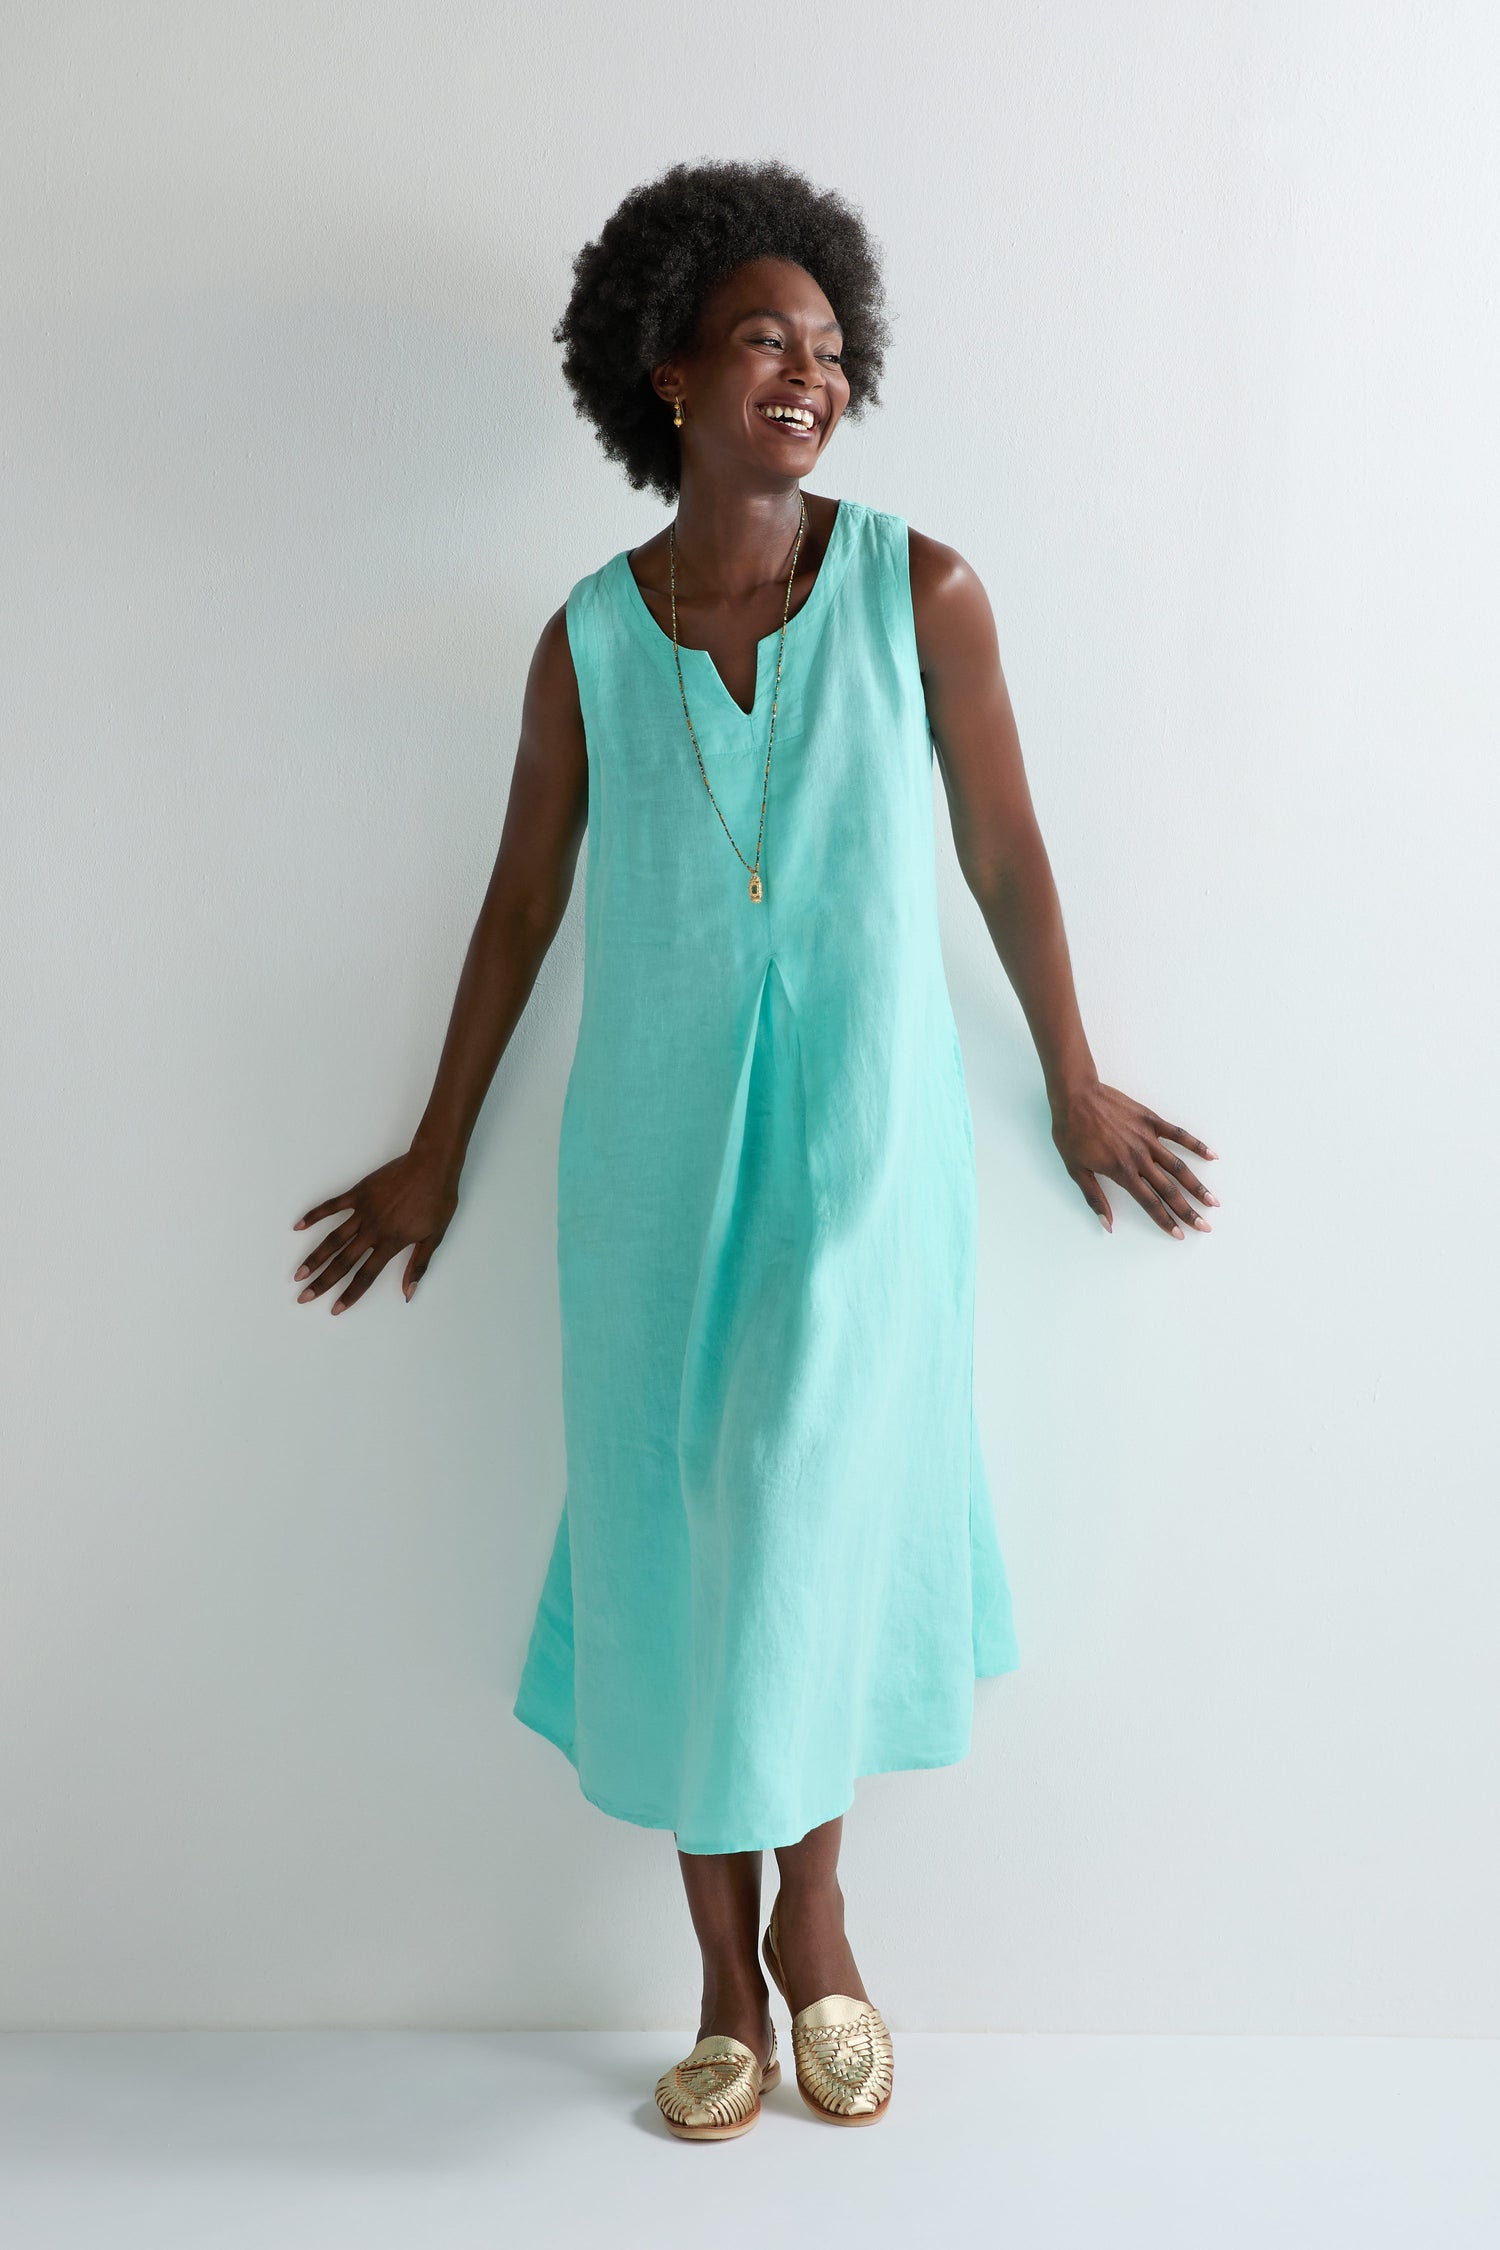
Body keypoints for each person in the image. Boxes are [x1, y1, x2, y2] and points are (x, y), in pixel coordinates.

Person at [291, 157, 1218, 2141]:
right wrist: (435, 1149)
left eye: (829, 349)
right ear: (672, 375)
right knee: (675, 1528)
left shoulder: (920, 590)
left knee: (804, 1514)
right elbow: (524, 899)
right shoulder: (589, 642)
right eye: (761, 343)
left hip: (872, 1163)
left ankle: (818, 1919)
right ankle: (719, 1973)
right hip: (643, 1169)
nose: (806, 375)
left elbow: (1002, 846)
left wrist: (1071, 1075)